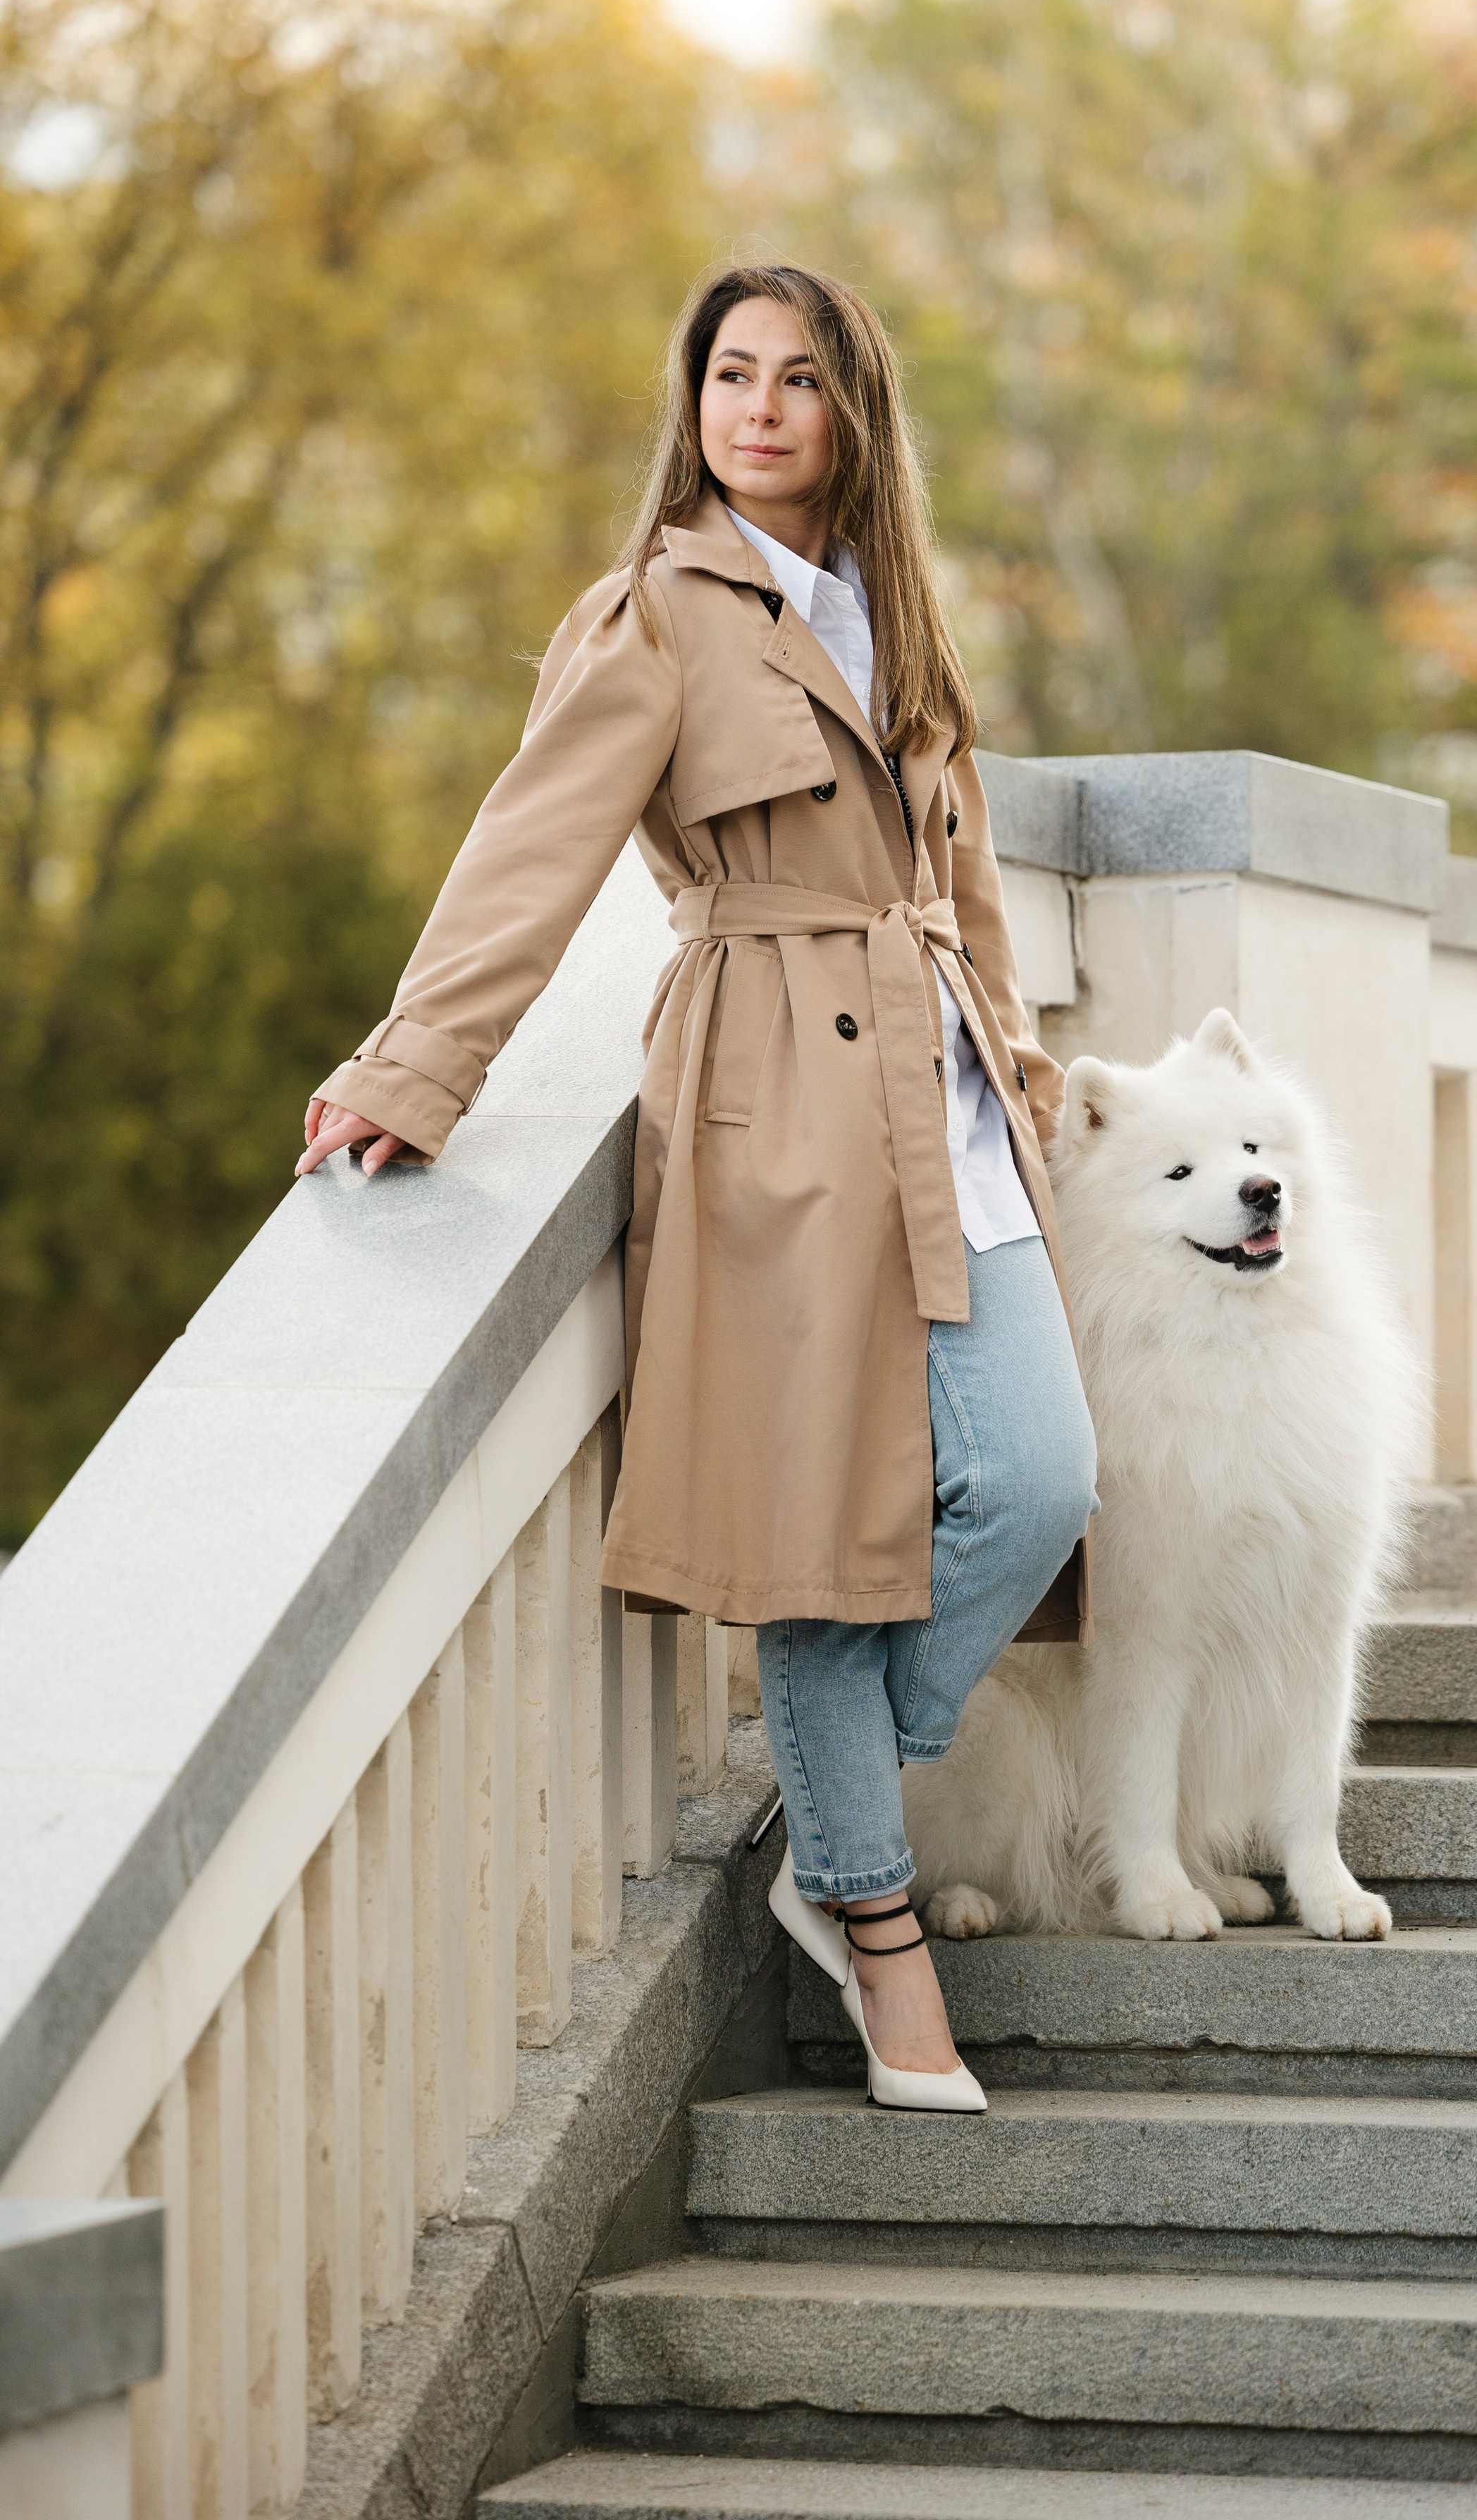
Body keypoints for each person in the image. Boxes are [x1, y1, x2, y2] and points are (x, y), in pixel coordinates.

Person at [299, 262, 1096, 2110]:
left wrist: (1023, 1057)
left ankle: (833, 1794)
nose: (756, 407)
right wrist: (416, 1067)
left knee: (1040, 1473)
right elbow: (533, 850)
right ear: (698, 399)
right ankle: (871, 1917)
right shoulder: (656, 610)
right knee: (817, 1518)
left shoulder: (897, 613)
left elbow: (954, 863)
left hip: (944, 1084)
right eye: (731, 373)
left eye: (796, 379)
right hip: (771, 1097)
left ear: (851, 414)